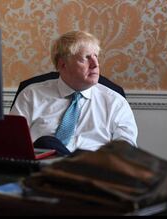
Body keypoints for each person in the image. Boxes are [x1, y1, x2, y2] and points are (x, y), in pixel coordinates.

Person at [10, 30, 138, 154]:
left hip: (90, 170)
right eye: (85, 58)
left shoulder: (116, 102)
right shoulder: (31, 95)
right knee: (46, 143)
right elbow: (12, 143)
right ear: (62, 64)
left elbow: (125, 152)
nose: (95, 64)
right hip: (42, 171)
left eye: (96, 57)